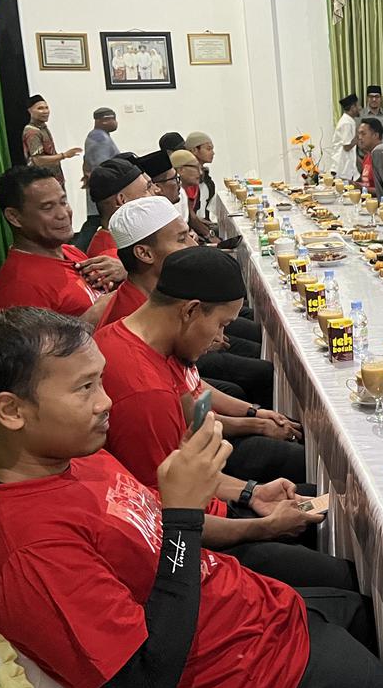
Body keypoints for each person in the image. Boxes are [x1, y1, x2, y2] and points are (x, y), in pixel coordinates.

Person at [0, 307, 383, 688]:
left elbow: (154, 524)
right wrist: (185, 519)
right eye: (85, 388)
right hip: (236, 672)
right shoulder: (30, 550)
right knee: (379, 676)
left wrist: (242, 497)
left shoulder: (75, 459)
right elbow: (147, 678)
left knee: (366, 609)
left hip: (248, 613)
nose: (107, 401)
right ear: (12, 411)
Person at [94, 246, 306, 488]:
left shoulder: (142, 337)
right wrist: (259, 511)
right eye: (221, 324)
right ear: (191, 310)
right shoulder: (146, 393)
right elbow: (167, 502)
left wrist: (253, 418)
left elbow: (190, 410)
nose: (220, 336)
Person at [102, 195, 273, 405]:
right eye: (182, 239)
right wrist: (251, 417)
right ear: (144, 253)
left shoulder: (155, 299)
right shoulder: (133, 315)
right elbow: (182, 392)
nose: (194, 245)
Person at [0, 166, 126, 324]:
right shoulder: (18, 286)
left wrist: (123, 275)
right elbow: (33, 349)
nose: (63, 214)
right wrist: (91, 318)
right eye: (47, 208)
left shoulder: (70, 252)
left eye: (63, 202)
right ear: (14, 217)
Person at [86, 156, 158, 259]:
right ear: (122, 200)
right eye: (146, 190)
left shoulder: (123, 240)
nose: (153, 195)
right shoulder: (110, 258)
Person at [79, 107, 121, 251]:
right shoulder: (99, 138)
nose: (114, 122)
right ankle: (78, 250)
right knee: (95, 220)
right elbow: (102, 166)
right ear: (101, 121)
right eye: (110, 119)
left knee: (95, 220)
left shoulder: (99, 135)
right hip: (103, 187)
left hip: (100, 185)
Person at [22, 95, 80, 186]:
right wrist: (64, 155)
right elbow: (37, 160)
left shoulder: (43, 127)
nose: (45, 111)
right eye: (40, 108)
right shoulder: (32, 131)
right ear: (30, 110)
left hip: (52, 178)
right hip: (42, 181)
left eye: (46, 108)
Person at [168, 149, 217, 242]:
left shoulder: (182, 192)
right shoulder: (174, 194)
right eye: (196, 168)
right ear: (181, 170)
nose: (201, 173)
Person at [184, 131, 217, 220]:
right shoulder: (187, 179)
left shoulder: (206, 177)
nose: (213, 153)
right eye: (208, 149)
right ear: (194, 150)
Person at [330, 94, 361, 181]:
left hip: (347, 167)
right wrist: (359, 137)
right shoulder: (346, 123)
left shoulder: (349, 120)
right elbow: (347, 146)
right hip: (343, 167)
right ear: (352, 107)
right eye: (358, 105)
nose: (360, 108)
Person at [357, 118, 383, 194]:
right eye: (358, 134)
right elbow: (366, 182)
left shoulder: (382, 156)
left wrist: (360, 188)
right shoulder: (367, 156)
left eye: (363, 134)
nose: (359, 137)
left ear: (375, 135)